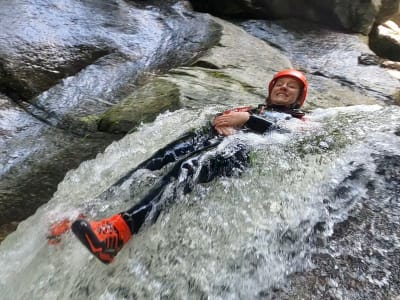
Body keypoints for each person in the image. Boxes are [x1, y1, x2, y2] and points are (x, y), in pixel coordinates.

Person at [51, 69, 308, 264]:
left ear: (299, 97)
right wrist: (224, 120)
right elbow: (221, 118)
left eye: (291, 87)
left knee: (188, 167)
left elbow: (291, 137)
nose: (283, 87)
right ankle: (84, 214)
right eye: (280, 84)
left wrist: (247, 120)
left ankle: (119, 233)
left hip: (239, 155)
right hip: (214, 141)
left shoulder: (299, 119)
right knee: (154, 162)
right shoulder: (254, 108)